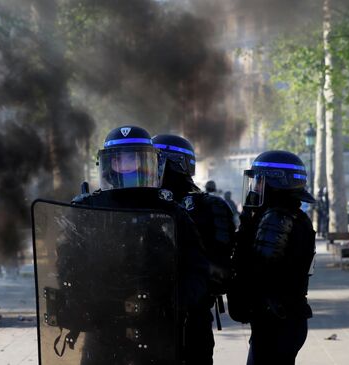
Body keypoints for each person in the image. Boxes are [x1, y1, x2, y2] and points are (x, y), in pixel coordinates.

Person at [68, 126, 209, 364]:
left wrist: (175, 303)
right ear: (108, 163)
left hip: (155, 327)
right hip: (104, 328)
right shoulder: (89, 209)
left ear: (149, 161)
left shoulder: (170, 210)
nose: (126, 165)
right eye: (119, 159)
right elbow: (69, 263)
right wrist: (76, 302)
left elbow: (196, 268)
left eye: (133, 158)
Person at [152, 134, 236, 365]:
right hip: (149, 316)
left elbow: (220, 272)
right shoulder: (140, 203)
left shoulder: (211, 207)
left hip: (190, 316)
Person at [227, 150, 316, 365]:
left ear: (276, 182)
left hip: (275, 320)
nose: (256, 188)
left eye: (260, 181)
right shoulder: (296, 215)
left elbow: (258, 270)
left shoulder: (276, 218)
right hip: (288, 317)